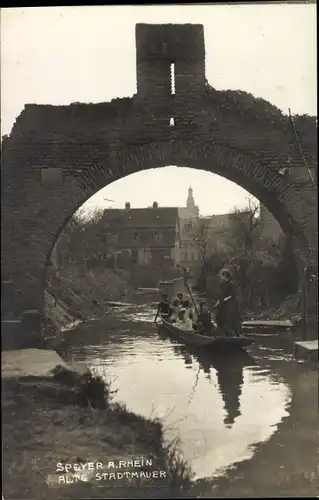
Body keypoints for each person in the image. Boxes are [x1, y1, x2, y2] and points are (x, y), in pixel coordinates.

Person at [213, 268, 242, 337]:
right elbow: (221, 295)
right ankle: (223, 334)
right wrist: (217, 303)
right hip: (223, 303)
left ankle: (234, 333)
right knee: (221, 317)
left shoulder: (232, 284)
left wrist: (227, 298)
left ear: (225, 276)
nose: (220, 277)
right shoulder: (221, 284)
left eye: (221, 276)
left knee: (230, 318)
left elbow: (233, 294)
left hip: (231, 304)